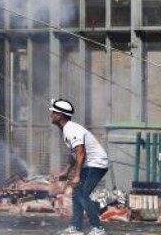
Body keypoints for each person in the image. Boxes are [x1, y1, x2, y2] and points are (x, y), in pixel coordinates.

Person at [50, 99, 109, 235]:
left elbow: (80, 151)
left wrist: (76, 175)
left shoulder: (70, 129)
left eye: (54, 112)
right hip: (90, 164)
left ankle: (98, 228)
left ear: (60, 115)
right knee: (77, 194)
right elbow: (74, 154)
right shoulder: (67, 129)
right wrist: (66, 171)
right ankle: (76, 227)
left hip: (97, 163)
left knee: (82, 194)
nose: (52, 114)